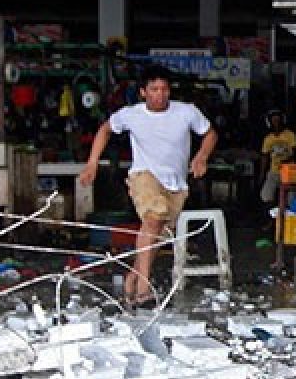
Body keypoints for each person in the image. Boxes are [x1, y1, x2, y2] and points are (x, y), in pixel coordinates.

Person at [79, 64, 216, 309]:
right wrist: (92, 163)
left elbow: (209, 134)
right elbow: (105, 130)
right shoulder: (131, 115)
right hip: (144, 176)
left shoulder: (186, 112)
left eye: (164, 89)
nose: (160, 94)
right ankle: (144, 289)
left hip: (175, 183)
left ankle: (132, 279)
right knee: (153, 219)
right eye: (154, 89)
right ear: (143, 92)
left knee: (158, 234)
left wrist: (202, 156)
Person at [259, 109, 296, 205]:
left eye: (278, 120)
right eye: (274, 121)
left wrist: (286, 161)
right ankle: (271, 217)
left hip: (289, 170)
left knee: (292, 199)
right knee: (265, 196)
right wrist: (262, 174)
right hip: (274, 171)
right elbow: (265, 157)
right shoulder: (268, 139)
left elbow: (295, 153)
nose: (276, 123)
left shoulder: (290, 135)